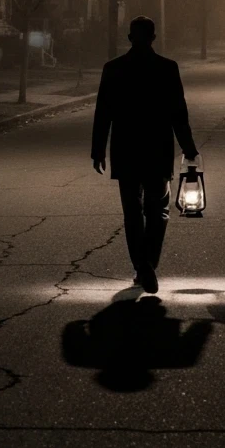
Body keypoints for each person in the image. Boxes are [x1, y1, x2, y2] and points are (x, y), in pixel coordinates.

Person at [91, 16, 198, 293]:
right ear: (153, 38)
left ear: (130, 38)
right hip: (157, 149)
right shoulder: (167, 68)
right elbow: (178, 113)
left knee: (132, 211)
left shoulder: (113, 69)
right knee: (158, 210)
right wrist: (188, 148)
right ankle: (148, 263)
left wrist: (98, 149)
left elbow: (103, 112)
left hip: (126, 149)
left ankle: (142, 267)